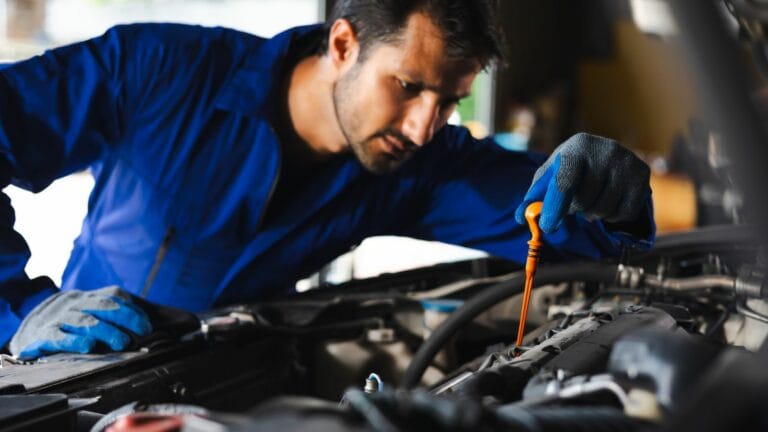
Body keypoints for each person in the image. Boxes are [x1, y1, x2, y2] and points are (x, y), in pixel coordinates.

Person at [0, 0, 653, 359]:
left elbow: (578, 235)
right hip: (79, 376)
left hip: (231, 390)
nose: (426, 126)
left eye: (449, 102)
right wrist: (17, 310)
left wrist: (612, 197)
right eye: (408, 87)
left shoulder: (417, 166)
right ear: (342, 45)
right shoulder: (154, 72)